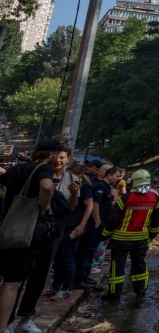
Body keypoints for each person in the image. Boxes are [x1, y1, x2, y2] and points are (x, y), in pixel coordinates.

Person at [0, 139, 59, 333]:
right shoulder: (44, 170)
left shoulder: (18, 169)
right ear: (50, 154)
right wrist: (42, 206)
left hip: (7, 227)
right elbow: (47, 187)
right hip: (26, 232)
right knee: (13, 282)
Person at [21, 145, 77, 318]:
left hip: (56, 226)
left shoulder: (72, 179)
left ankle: (26, 313)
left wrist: (74, 194)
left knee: (43, 269)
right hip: (34, 222)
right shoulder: (41, 173)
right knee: (23, 268)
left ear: (68, 159)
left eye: (62, 158)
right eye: (57, 157)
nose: (59, 161)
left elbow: (71, 208)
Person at [102, 169, 159, 302]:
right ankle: (140, 292)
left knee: (117, 266)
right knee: (140, 265)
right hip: (141, 239)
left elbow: (114, 218)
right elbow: (157, 220)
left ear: (133, 182)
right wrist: (152, 234)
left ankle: (114, 294)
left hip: (120, 239)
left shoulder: (126, 198)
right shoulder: (155, 198)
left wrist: (105, 234)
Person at [49, 162, 94, 299]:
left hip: (74, 225)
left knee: (68, 257)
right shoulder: (67, 186)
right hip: (64, 224)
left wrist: (81, 225)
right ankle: (56, 286)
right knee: (59, 256)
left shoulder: (84, 187)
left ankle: (67, 287)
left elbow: (89, 206)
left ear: (79, 175)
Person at [75, 167, 118, 290]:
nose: (118, 178)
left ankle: (84, 276)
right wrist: (98, 221)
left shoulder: (106, 188)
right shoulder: (101, 187)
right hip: (96, 223)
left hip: (101, 222)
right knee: (87, 250)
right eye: (116, 175)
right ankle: (80, 278)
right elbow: (95, 204)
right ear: (109, 175)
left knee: (91, 250)